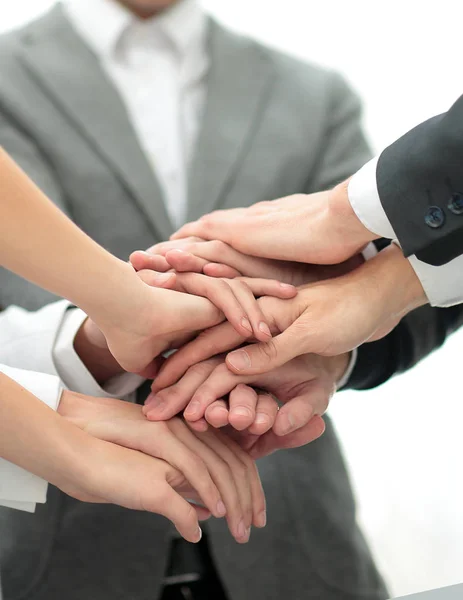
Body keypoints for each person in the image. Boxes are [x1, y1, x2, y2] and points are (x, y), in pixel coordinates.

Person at [0, 0, 389, 598]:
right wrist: (116, 330)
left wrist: (321, 351)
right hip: (56, 554)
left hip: (297, 549)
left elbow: (411, 267)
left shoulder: (316, 93)